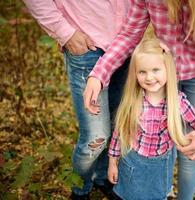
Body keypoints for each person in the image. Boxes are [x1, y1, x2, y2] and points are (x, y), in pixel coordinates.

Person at [83, 0, 195, 199]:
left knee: (190, 151)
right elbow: (130, 34)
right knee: (166, 138)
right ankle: (161, 190)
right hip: (163, 72)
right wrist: (99, 73)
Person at [106, 38, 195, 200]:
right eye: (142, 72)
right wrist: (112, 162)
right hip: (132, 163)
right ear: (135, 74)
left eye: (155, 70)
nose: (149, 77)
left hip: (160, 168)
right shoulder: (133, 101)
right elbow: (119, 133)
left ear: (168, 69)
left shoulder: (177, 101)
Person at [22, 0, 129, 199]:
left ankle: (102, 177)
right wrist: (65, 33)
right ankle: (80, 190)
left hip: (126, 43)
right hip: (89, 45)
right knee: (96, 137)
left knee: (117, 122)